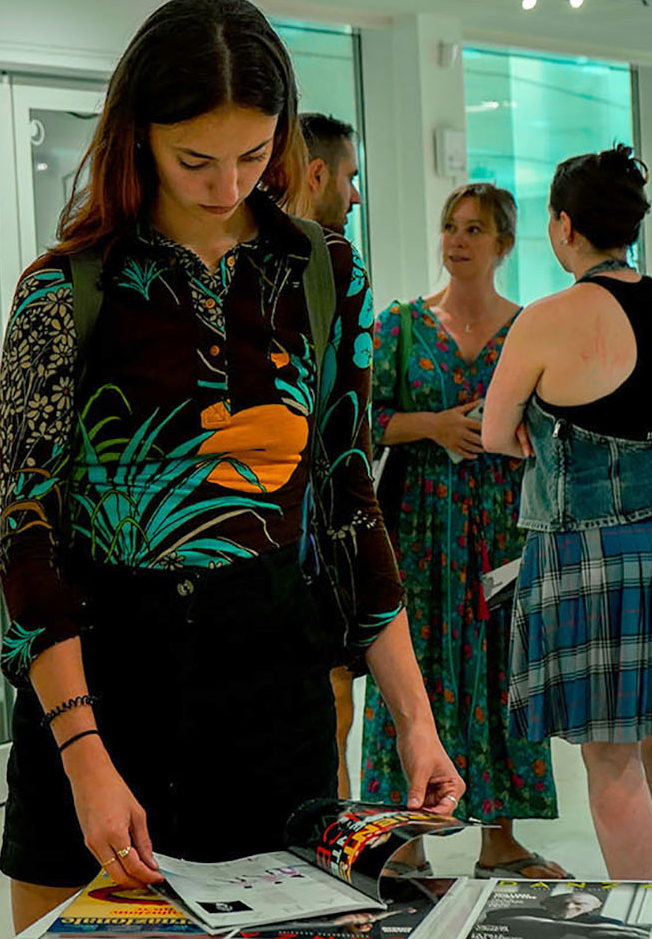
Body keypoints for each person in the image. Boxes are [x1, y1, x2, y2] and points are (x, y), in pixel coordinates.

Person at [0, 0, 464, 933]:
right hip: (106, 678)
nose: (226, 184)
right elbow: (26, 537)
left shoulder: (325, 271)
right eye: (194, 159)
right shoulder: (67, 290)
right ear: (137, 139)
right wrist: (85, 759)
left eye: (254, 156)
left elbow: (347, 496)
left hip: (272, 682)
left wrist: (413, 715)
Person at [482, 144, 652, 885]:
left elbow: (496, 432)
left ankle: (635, 908)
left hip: (583, 553)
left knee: (609, 752)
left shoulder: (545, 317)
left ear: (566, 226)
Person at [362, 183, 566, 880]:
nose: (457, 240)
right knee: (410, 675)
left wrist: (507, 435)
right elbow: (363, 421)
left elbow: (551, 428)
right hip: (418, 531)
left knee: (503, 672)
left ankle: (500, 839)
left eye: (474, 229)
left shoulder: (528, 328)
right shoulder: (401, 326)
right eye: (450, 225)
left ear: (504, 243)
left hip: (505, 532)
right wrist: (435, 425)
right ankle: (408, 840)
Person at [297, 110, 363, 799]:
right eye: (349, 176)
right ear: (316, 174)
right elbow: (349, 443)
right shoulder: (335, 265)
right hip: (307, 544)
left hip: (317, 543)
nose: (355, 195)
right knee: (328, 715)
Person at [481, 891, 651, 938]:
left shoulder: (605, 921)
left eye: (579, 904)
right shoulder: (532, 913)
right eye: (563, 902)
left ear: (595, 906)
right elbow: (498, 920)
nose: (569, 906)